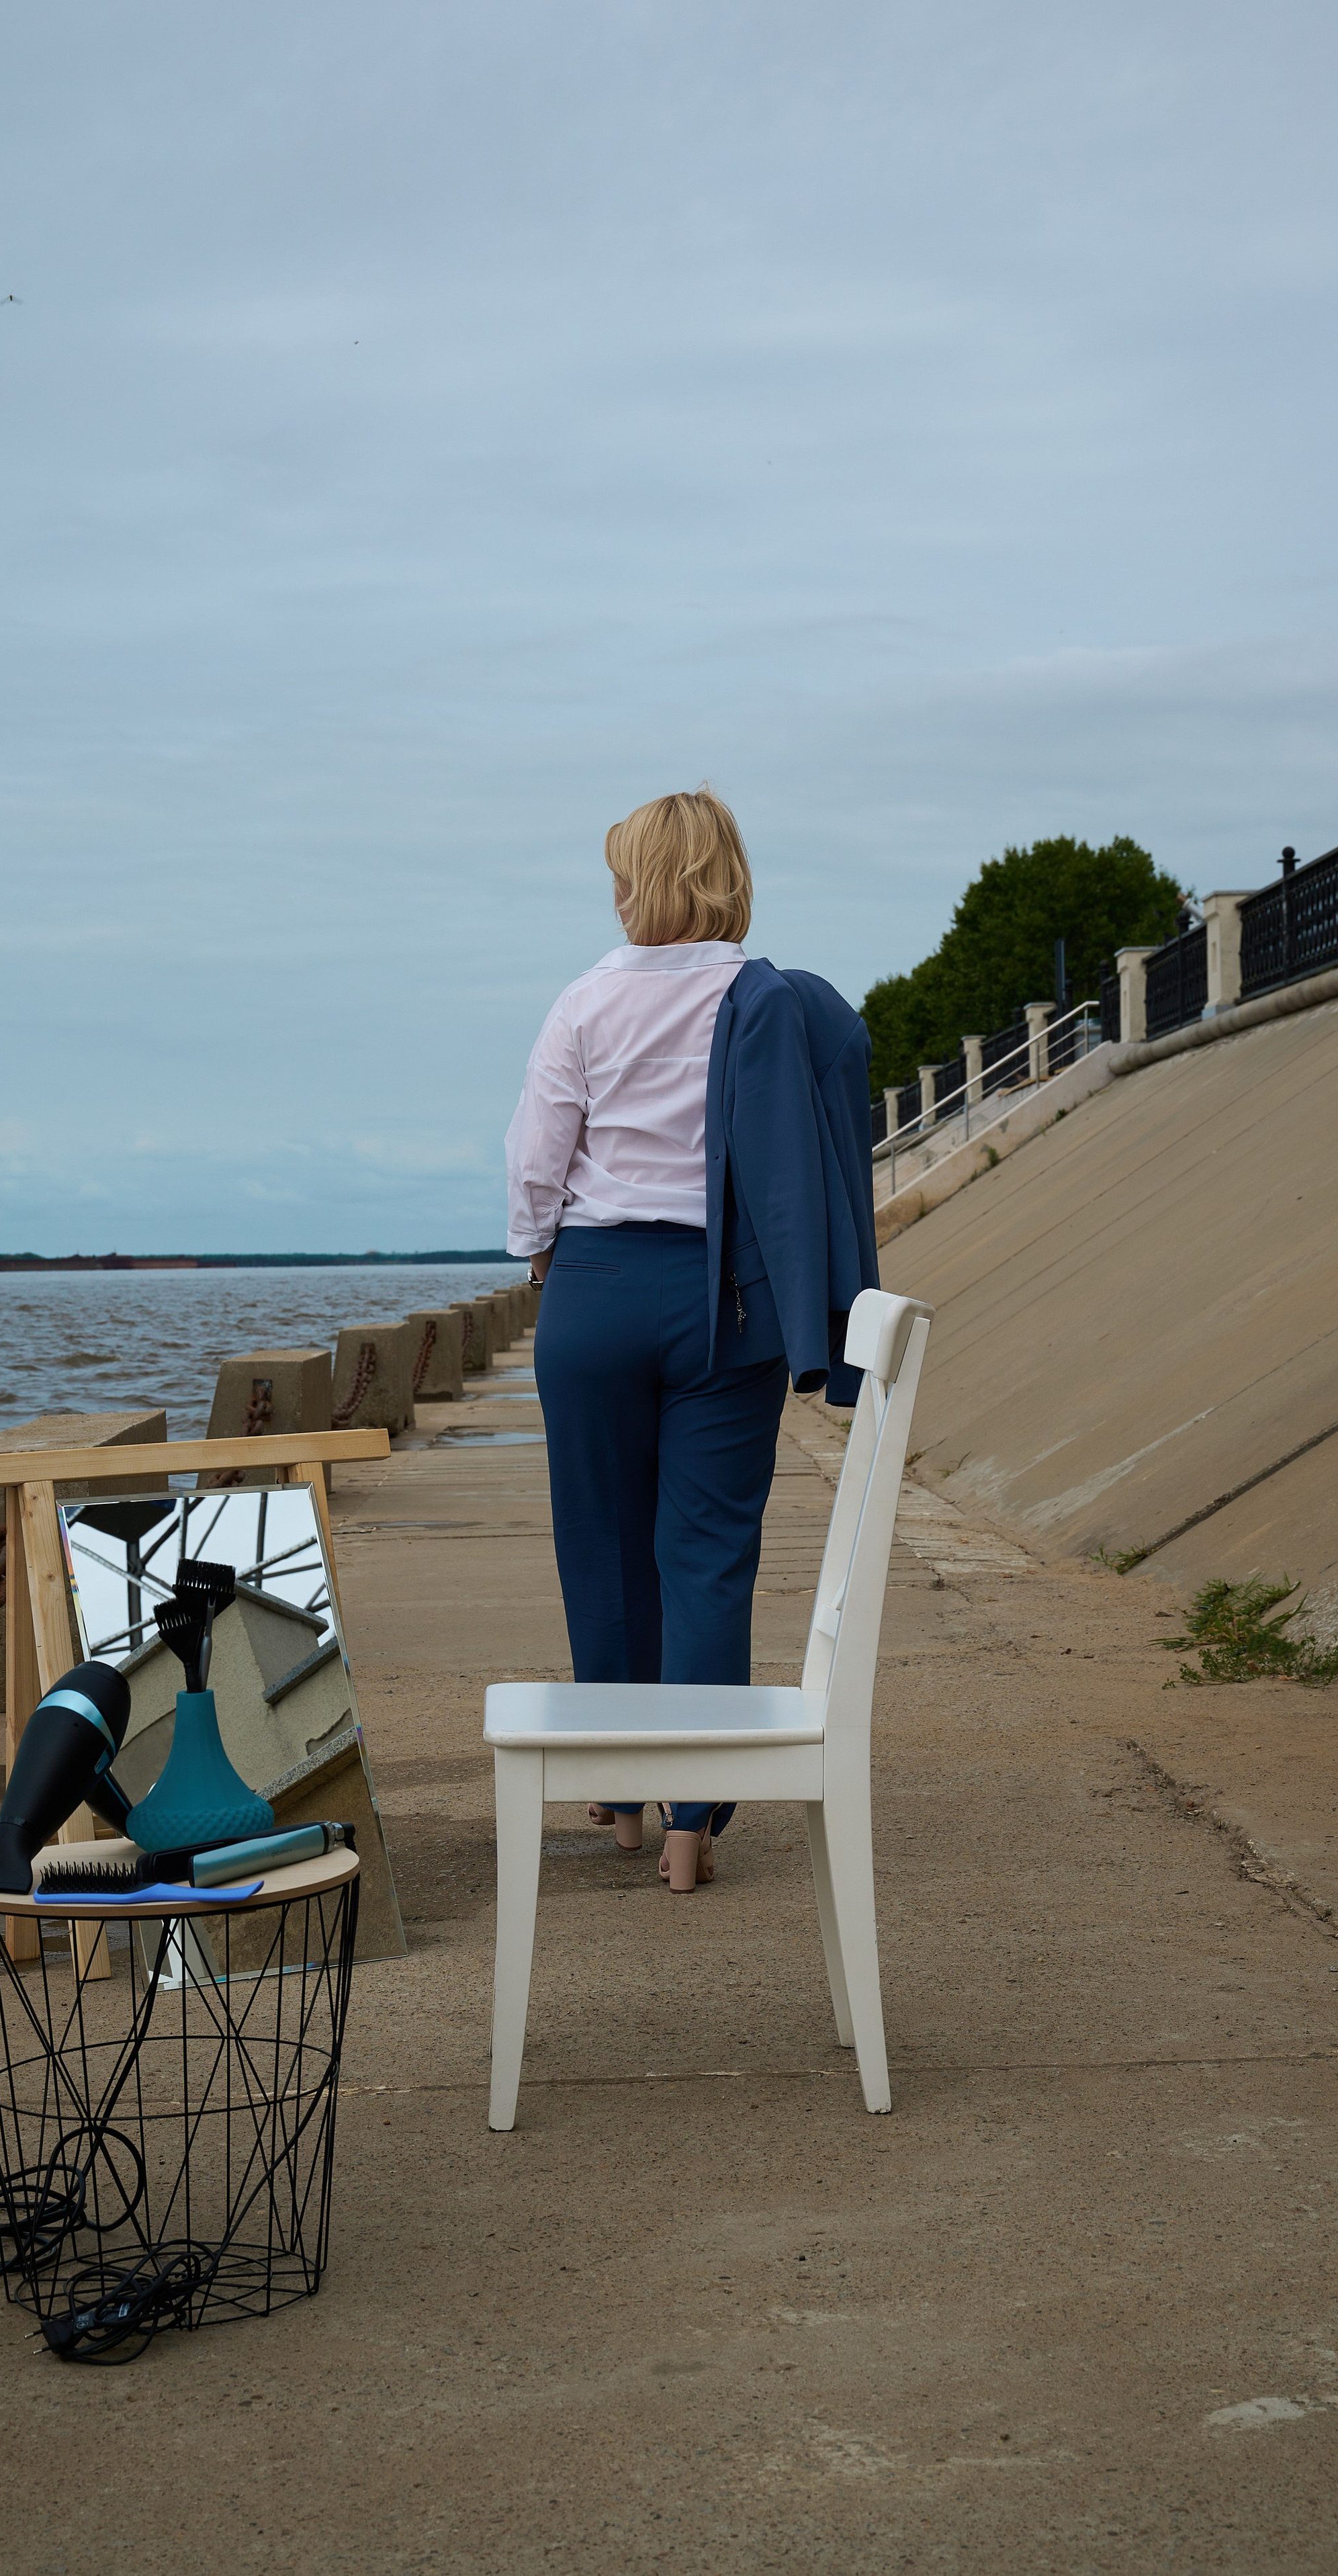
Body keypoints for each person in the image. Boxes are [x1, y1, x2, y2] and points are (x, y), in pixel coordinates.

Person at [504, 789, 879, 1893]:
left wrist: (539, 1250)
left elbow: (539, 1154)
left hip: (599, 1288)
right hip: (730, 1296)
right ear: (725, 875)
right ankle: (691, 1823)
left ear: (638, 882)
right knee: (707, 1554)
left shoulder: (584, 1000)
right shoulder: (769, 1001)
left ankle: (619, 1789)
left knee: (605, 1549)